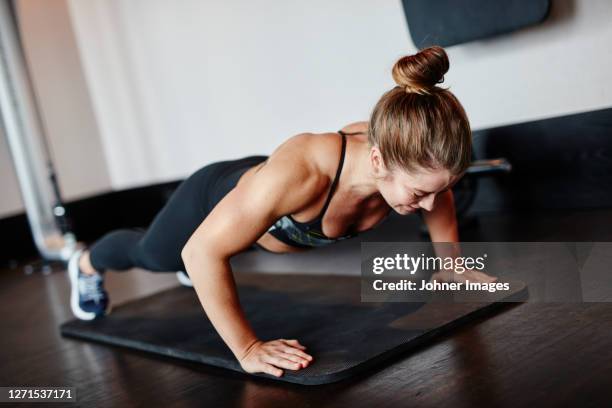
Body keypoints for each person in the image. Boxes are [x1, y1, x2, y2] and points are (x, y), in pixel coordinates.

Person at [67, 46, 484, 378]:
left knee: (205, 250)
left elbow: (437, 192)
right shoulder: (307, 171)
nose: (429, 204)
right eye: (418, 193)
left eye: (438, 190)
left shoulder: (402, 147)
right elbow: (202, 253)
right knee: (156, 256)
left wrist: (452, 265)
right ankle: (85, 262)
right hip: (212, 193)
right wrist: (248, 348)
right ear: (377, 163)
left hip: (264, 187)